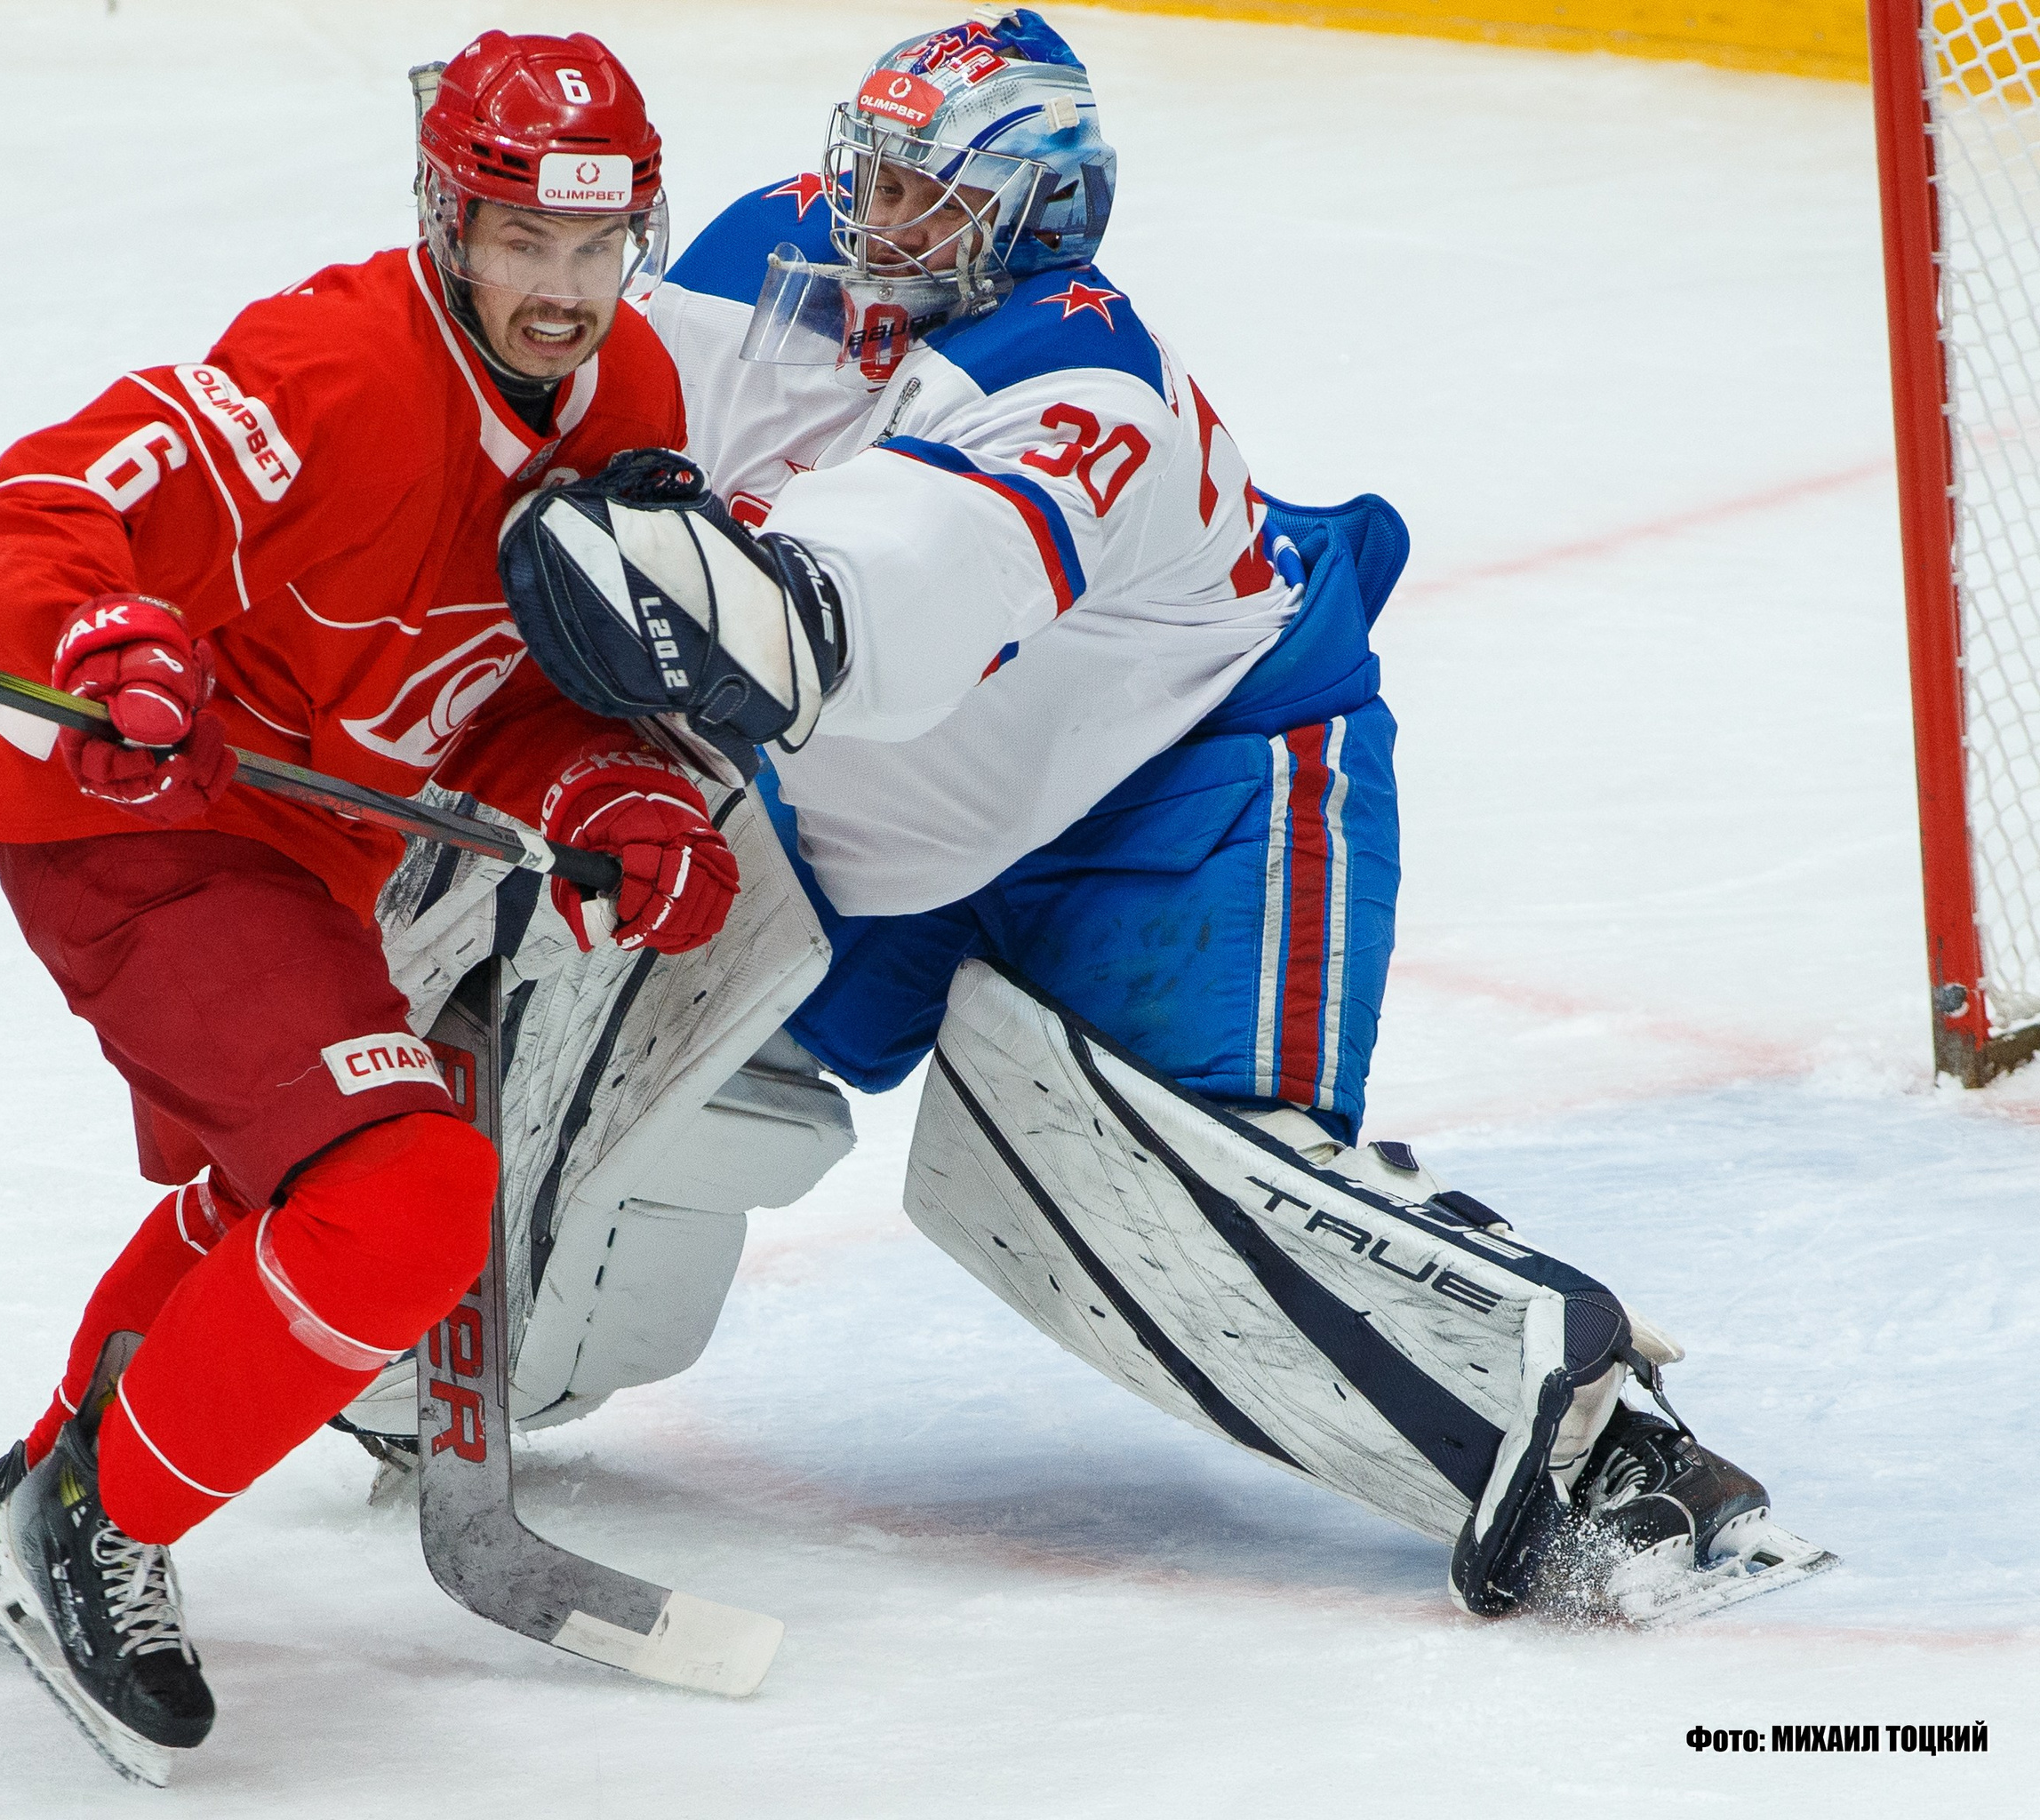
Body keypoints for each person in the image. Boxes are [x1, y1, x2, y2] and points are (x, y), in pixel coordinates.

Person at [498, 6, 1832, 1629]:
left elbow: (888, 615)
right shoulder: (761, 248)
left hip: (1183, 791)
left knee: (1168, 1188)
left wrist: (727, 597)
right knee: (638, 999)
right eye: (876, 173)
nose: (875, 218)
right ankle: (441, 1347)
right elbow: (574, 422)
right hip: (898, 819)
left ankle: (1598, 1450)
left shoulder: (1082, 372)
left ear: (1039, 210)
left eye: (929, 195)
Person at [0, 31, 740, 1784]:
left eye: (594, 246)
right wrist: (102, 653)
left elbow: (533, 691)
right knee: (405, 1195)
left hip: (299, 856)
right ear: (445, 222)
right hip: (132, 818)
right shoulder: (331, 367)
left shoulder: (631, 395)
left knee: (282, 1194)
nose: (560, 292)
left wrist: (610, 793)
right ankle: (96, 1520)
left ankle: (26, 1486)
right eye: (517, 245)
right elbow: (43, 507)